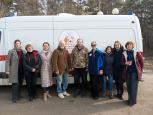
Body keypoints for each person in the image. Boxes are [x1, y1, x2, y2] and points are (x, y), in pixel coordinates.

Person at [121, 41, 143, 106]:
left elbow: (141, 62)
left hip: (134, 73)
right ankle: (130, 99)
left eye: (130, 45)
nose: (129, 46)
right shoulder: (124, 53)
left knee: (133, 87)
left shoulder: (136, 53)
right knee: (128, 87)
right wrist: (126, 63)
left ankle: (132, 102)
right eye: (128, 45)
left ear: (132, 46)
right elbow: (122, 62)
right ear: (126, 46)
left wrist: (140, 70)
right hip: (127, 72)